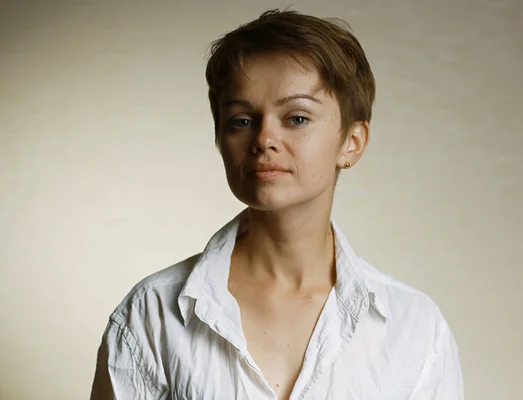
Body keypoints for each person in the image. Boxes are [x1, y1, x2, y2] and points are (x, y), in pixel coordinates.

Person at [90, 9, 464, 400]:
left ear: (351, 141)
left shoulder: (413, 326)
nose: (264, 138)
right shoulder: (153, 313)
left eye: (297, 118)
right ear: (219, 136)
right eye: (241, 120)